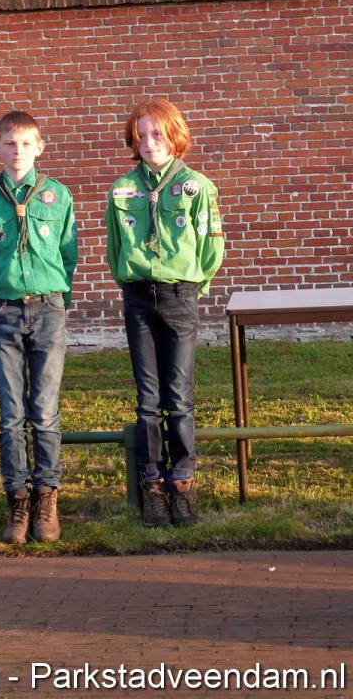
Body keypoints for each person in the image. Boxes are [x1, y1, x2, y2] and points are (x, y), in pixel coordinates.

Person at [105, 99, 224, 527]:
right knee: (148, 398)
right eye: (141, 135)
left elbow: (211, 247)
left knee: (179, 395)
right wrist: (131, 283)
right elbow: (114, 247)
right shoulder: (122, 188)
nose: (149, 142)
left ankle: (183, 483)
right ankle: (153, 484)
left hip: (180, 295)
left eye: (157, 133)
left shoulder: (197, 187)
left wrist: (192, 287)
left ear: (174, 135)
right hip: (139, 297)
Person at [0, 111, 77, 544]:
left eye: (26, 144)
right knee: (11, 414)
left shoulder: (58, 195)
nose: (18, 151)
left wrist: (57, 300)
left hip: (48, 310)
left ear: (40, 148)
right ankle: (18, 499)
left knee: (45, 411)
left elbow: (68, 253)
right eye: (10, 144)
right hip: (5, 313)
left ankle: (47, 497)